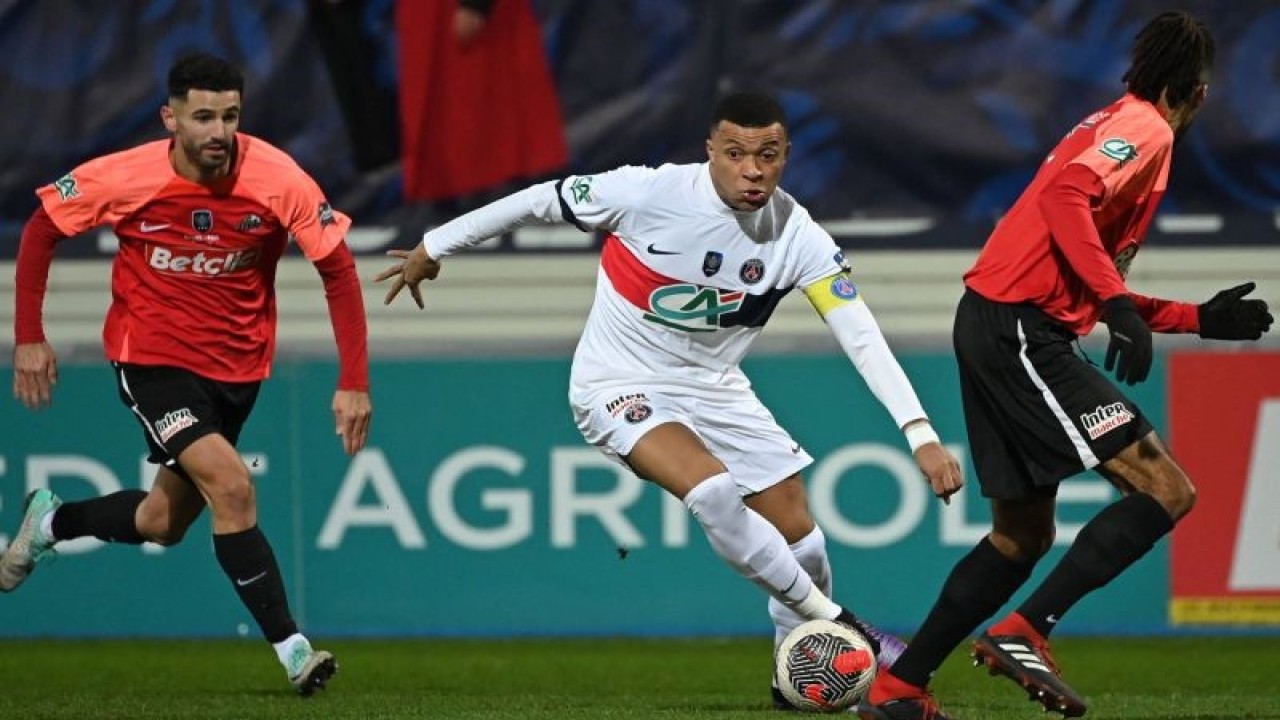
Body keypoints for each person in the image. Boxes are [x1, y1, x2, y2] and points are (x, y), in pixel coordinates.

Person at [376, 91, 964, 709]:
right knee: (710, 490)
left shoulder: (799, 237)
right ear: (710, 150)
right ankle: (847, 627)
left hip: (716, 387)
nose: (752, 170)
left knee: (804, 543)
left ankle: (794, 682)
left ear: (788, 154)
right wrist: (435, 246)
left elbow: (860, 334)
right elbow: (539, 199)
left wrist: (919, 432)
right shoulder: (647, 193)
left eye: (768, 154)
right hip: (616, 380)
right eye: (735, 153)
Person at [858, 12, 1272, 720]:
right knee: (1166, 489)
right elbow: (1063, 199)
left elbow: (1081, 269)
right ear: (1199, 94)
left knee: (1022, 535)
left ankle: (901, 687)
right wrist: (1116, 305)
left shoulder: (1114, 120)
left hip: (999, 322)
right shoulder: (1146, 130)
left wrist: (1193, 318)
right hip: (1021, 330)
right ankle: (1028, 629)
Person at [4, 53, 372, 696]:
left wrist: (354, 379)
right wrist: (29, 336)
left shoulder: (279, 179)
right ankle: (293, 649)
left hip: (239, 370)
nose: (218, 132)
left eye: (229, 116)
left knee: (160, 523)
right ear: (169, 118)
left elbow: (337, 270)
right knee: (232, 488)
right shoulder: (125, 176)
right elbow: (41, 227)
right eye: (203, 116)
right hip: (150, 359)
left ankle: (52, 523)